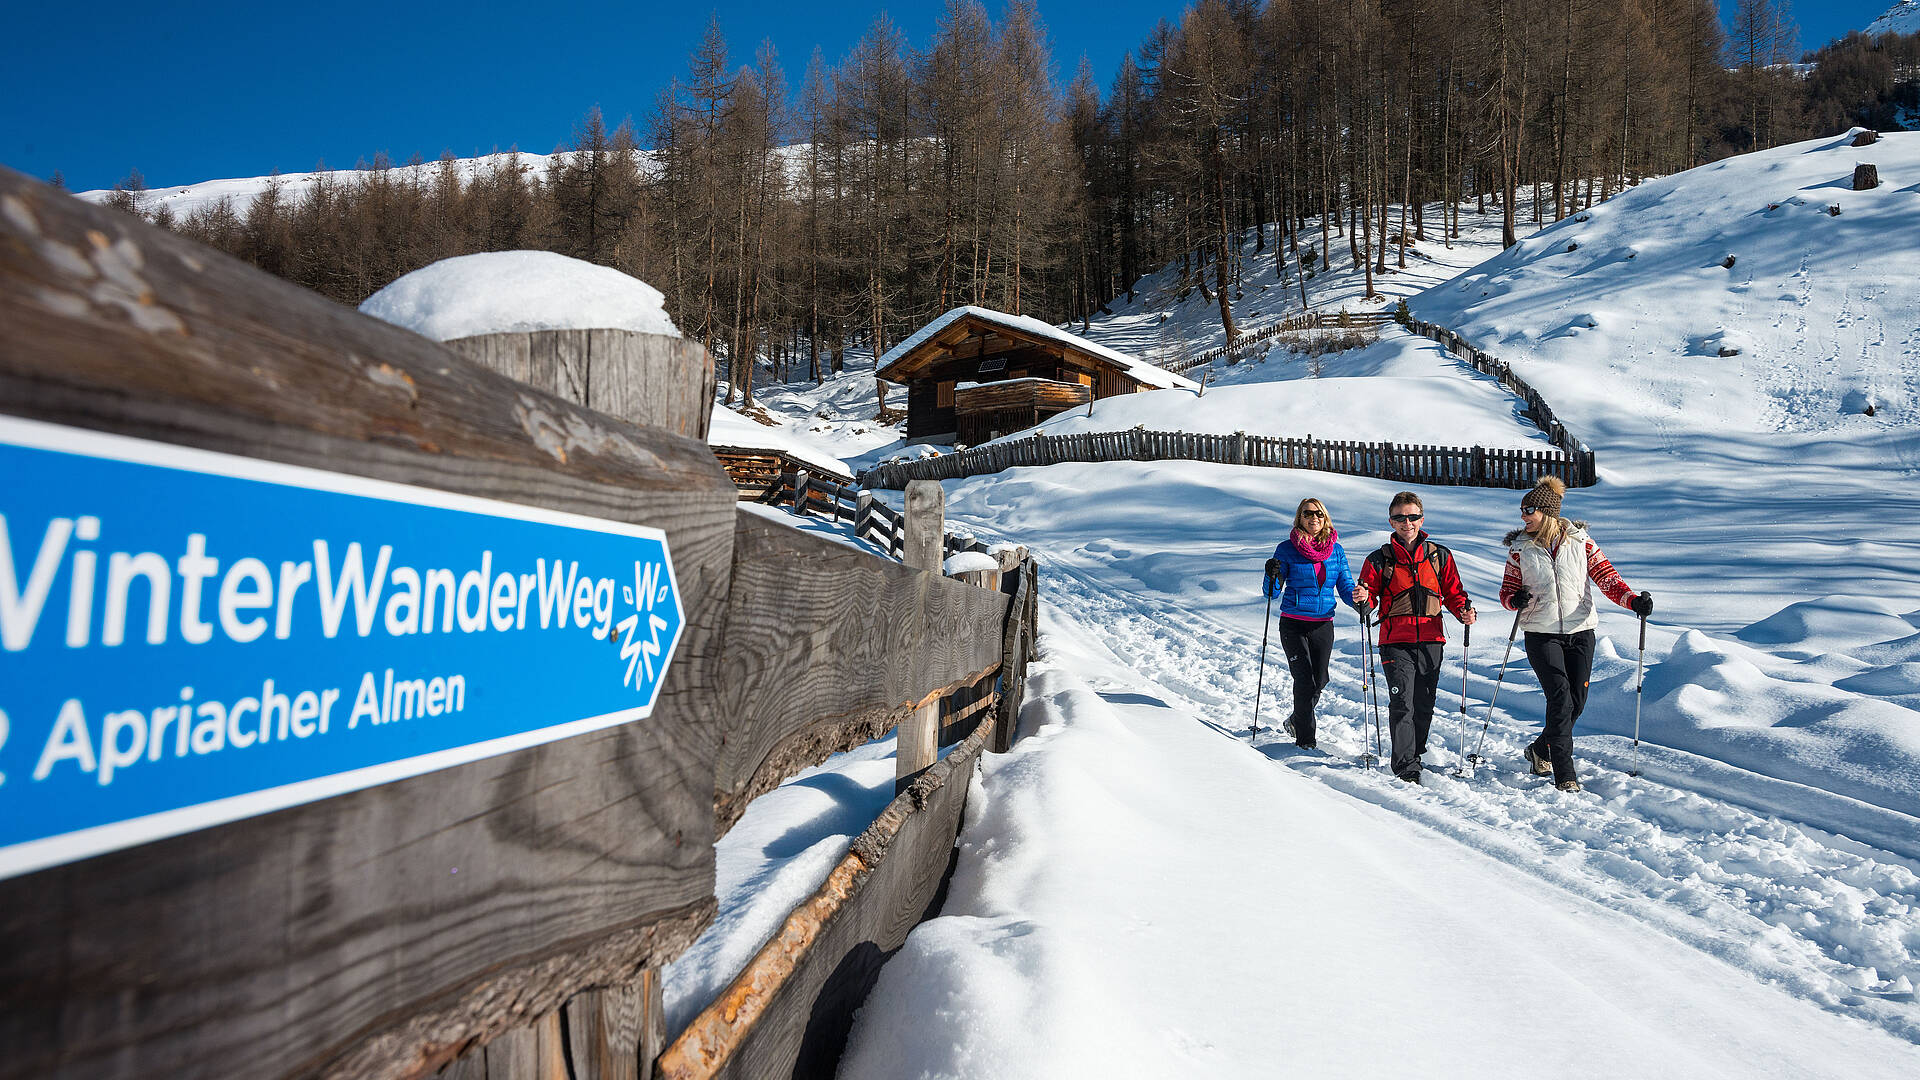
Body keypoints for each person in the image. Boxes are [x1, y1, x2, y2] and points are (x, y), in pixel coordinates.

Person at [1499, 476, 1652, 793]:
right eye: (1522, 510)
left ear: (1548, 512)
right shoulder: (1519, 550)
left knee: (1576, 703)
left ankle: (1540, 749)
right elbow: (1507, 591)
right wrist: (1515, 600)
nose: (1523, 516)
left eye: (1529, 509)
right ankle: (1564, 773)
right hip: (1541, 633)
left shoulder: (1581, 543)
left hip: (1581, 630)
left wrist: (1633, 601)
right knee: (1559, 699)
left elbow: (1608, 579)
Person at [1354, 491, 1476, 784]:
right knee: (1402, 703)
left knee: (1424, 703)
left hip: (1432, 639)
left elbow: (1454, 593)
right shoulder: (1379, 558)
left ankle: (1415, 751)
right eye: (1399, 517)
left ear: (1421, 519)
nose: (1406, 523)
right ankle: (1405, 764)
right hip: (1395, 641)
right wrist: (1362, 598)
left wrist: (1464, 611)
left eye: (1411, 517)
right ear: (1391, 521)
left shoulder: (1439, 555)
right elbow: (1367, 598)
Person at [1262, 498, 1359, 749]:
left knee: (1321, 679)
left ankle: (1297, 719)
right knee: (1304, 681)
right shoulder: (1286, 549)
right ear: (1299, 518)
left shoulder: (1336, 550)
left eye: (1318, 514)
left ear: (1325, 518)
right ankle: (1306, 741)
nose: (1313, 518)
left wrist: (1358, 601)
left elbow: (1345, 585)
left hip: (1323, 623)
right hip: (1293, 623)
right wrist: (1271, 574)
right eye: (1307, 513)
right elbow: (1272, 593)